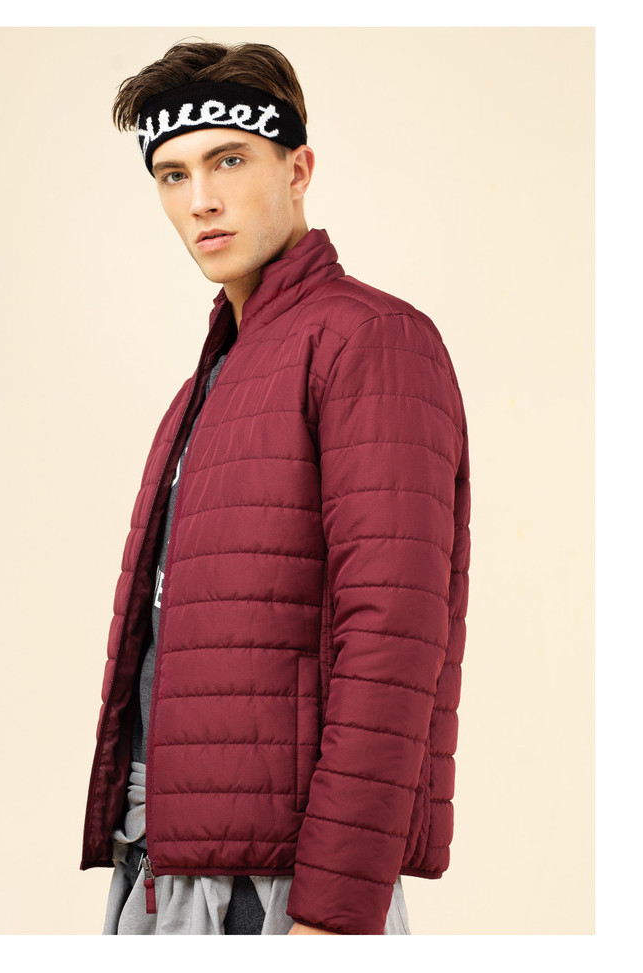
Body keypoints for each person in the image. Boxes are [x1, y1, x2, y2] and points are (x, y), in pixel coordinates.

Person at [80, 39, 471, 937]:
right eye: (173, 175)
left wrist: (332, 912)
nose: (200, 199)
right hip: (161, 862)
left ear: (298, 169)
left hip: (277, 886)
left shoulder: (371, 340)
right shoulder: (211, 380)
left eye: (228, 160)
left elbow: (394, 633)